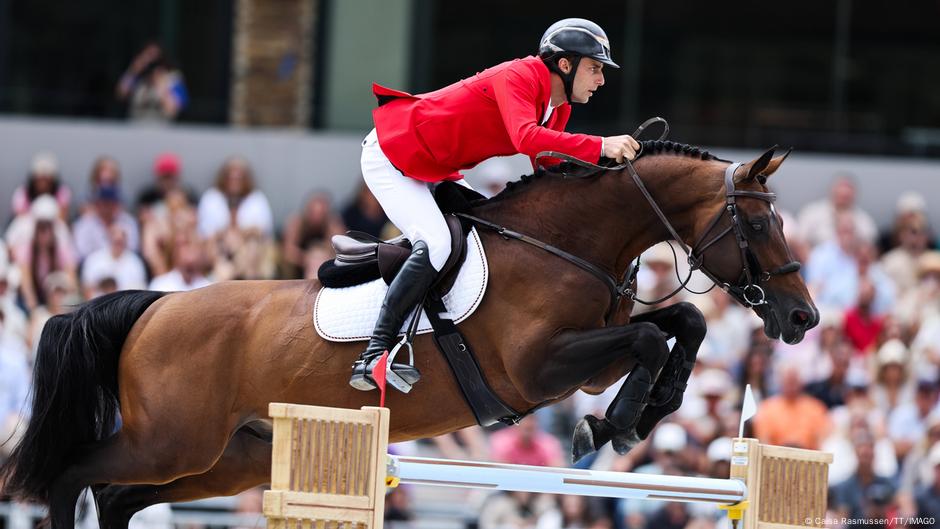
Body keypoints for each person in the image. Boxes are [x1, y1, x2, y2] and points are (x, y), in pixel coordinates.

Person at [348, 18, 640, 390]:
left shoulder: (557, 106)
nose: (600, 80)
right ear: (565, 65)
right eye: (595, 68)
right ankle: (374, 353)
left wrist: (612, 180)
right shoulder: (520, 75)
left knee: (490, 234)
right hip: (394, 154)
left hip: (438, 166)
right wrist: (600, 145)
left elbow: (550, 168)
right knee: (437, 242)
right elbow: (526, 139)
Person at [116, 43, 188, 123]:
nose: (151, 62)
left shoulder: (173, 79)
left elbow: (173, 110)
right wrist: (134, 70)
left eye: (156, 58)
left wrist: (161, 84)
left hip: (162, 129)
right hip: (135, 126)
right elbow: (121, 94)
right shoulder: (139, 77)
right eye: (148, 56)